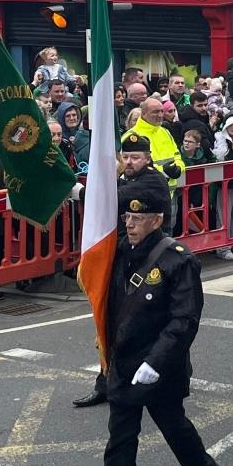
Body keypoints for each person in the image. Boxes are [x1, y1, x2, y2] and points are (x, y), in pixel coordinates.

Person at [86, 167, 218, 466]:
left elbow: (184, 320)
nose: (129, 224)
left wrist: (155, 363)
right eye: (126, 217)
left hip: (160, 366)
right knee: (120, 438)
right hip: (125, 362)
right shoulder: (116, 251)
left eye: (138, 218)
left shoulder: (178, 260)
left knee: (174, 427)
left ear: (157, 219)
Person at [73, 138, 172, 409]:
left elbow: (110, 200)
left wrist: (78, 191)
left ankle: (167, 375)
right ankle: (106, 382)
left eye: (135, 157)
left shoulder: (151, 181)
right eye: (125, 157)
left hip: (151, 263)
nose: (129, 162)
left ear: (148, 158)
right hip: (125, 259)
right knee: (113, 319)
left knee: (151, 321)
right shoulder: (126, 180)